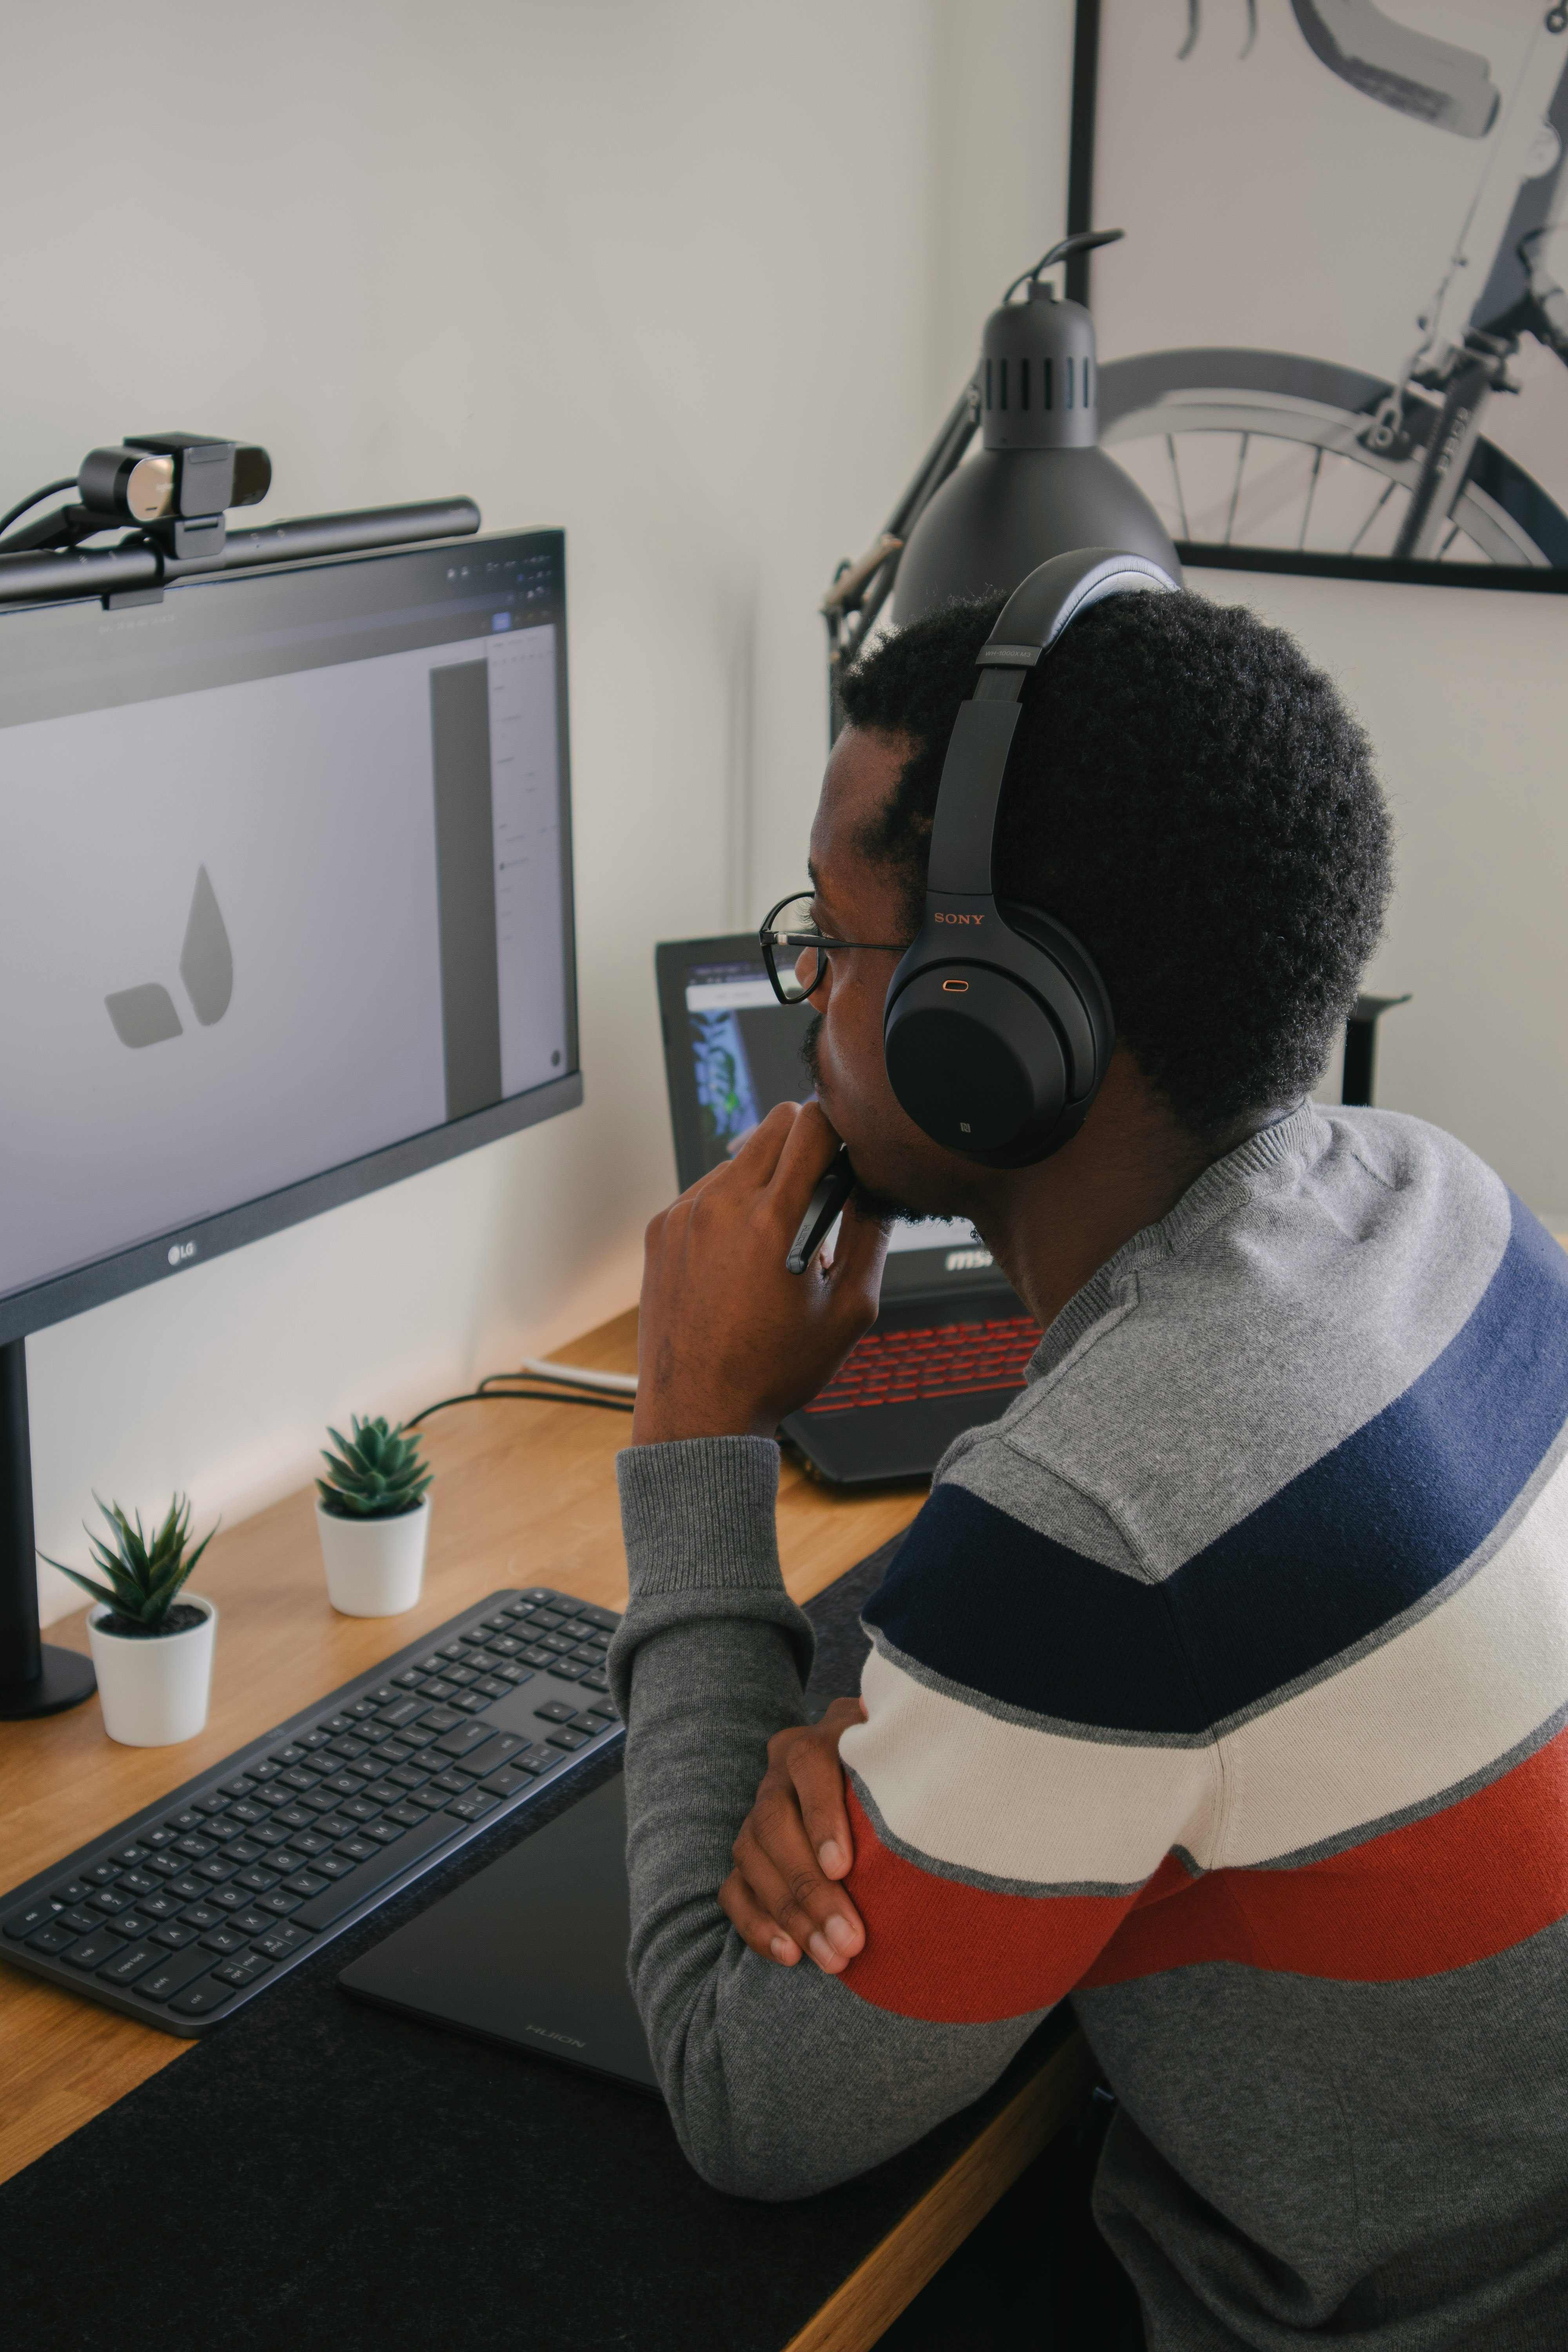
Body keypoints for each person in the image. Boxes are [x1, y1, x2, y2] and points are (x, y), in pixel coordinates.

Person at [605, 586, 1568, 2349]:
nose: (806, 998)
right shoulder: (1448, 1206)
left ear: (994, 1022)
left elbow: (744, 2096)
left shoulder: (1104, 1521)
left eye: (832, 942)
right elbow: (1152, 1660)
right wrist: (929, 1737)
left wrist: (693, 1453)